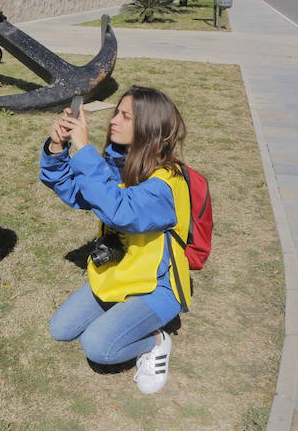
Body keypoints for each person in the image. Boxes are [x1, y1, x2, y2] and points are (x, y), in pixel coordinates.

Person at [39, 86, 192, 394]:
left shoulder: (166, 183)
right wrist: (58, 148)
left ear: (149, 128)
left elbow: (119, 211)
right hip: (120, 275)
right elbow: (77, 192)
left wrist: (84, 151)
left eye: (126, 116)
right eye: (116, 113)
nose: (113, 121)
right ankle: (123, 314)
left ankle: (157, 341)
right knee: (60, 330)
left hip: (156, 287)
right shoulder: (117, 164)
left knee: (98, 346)